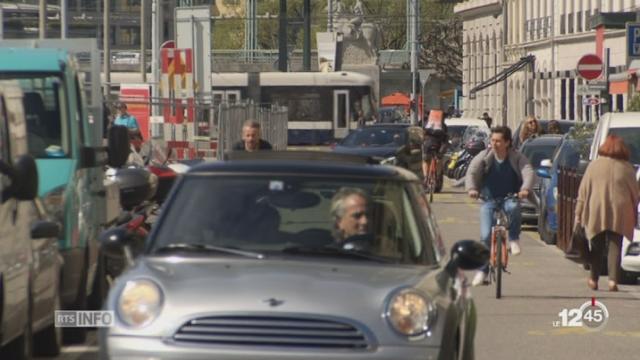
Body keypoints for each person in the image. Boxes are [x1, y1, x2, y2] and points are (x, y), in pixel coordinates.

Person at [465, 126, 535, 286]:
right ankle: (482, 271)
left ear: (507, 143)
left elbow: (528, 171)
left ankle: (514, 238)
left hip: (510, 197)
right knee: (484, 236)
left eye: (498, 141)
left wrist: (525, 189)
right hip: (489, 199)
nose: (494, 144)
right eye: (492, 140)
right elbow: (472, 172)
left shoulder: (516, 157)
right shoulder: (484, 156)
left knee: (514, 208)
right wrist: (472, 189)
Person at [575, 135, 639, 292]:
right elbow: (635, 193)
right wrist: (634, 211)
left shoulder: (594, 166)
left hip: (597, 209)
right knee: (615, 245)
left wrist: (578, 213)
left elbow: (583, 192)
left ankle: (593, 279)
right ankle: (612, 281)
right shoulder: (627, 168)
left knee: (597, 245)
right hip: (621, 210)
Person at [422, 113, 449, 191]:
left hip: (427, 146)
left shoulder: (426, 125)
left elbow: (422, 136)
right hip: (438, 146)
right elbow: (445, 139)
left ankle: (426, 177)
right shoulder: (443, 126)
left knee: (425, 160)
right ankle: (437, 176)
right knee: (439, 160)